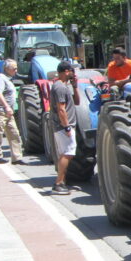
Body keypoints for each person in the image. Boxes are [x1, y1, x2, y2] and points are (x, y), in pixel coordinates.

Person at [50, 61, 80, 196]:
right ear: (66, 71)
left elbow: (77, 102)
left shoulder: (64, 86)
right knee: (68, 153)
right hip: (63, 127)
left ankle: (62, 181)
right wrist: (67, 127)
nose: (74, 74)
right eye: (72, 71)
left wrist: (75, 87)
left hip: (64, 126)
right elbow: (61, 109)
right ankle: (58, 183)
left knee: (65, 154)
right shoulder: (60, 88)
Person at [0, 59, 25, 165]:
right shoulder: (1, 78)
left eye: (16, 68)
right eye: (14, 68)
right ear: (6, 68)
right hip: (1, 111)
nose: (16, 70)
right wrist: (6, 107)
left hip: (8, 112)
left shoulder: (8, 79)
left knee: (14, 134)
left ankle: (16, 158)